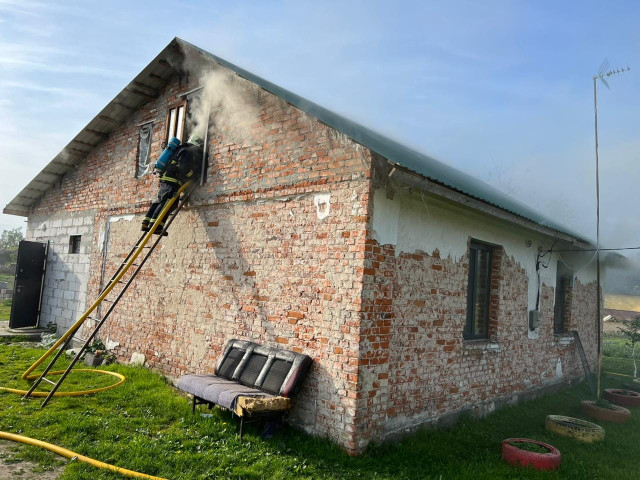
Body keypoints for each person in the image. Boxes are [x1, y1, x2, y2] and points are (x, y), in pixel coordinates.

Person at [141, 134, 203, 235]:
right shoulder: (187, 152)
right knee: (168, 203)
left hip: (165, 178)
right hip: (172, 180)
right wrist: (193, 176)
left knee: (160, 201)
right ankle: (155, 226)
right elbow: (184, 168)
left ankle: (146, 223)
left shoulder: (179, 149)